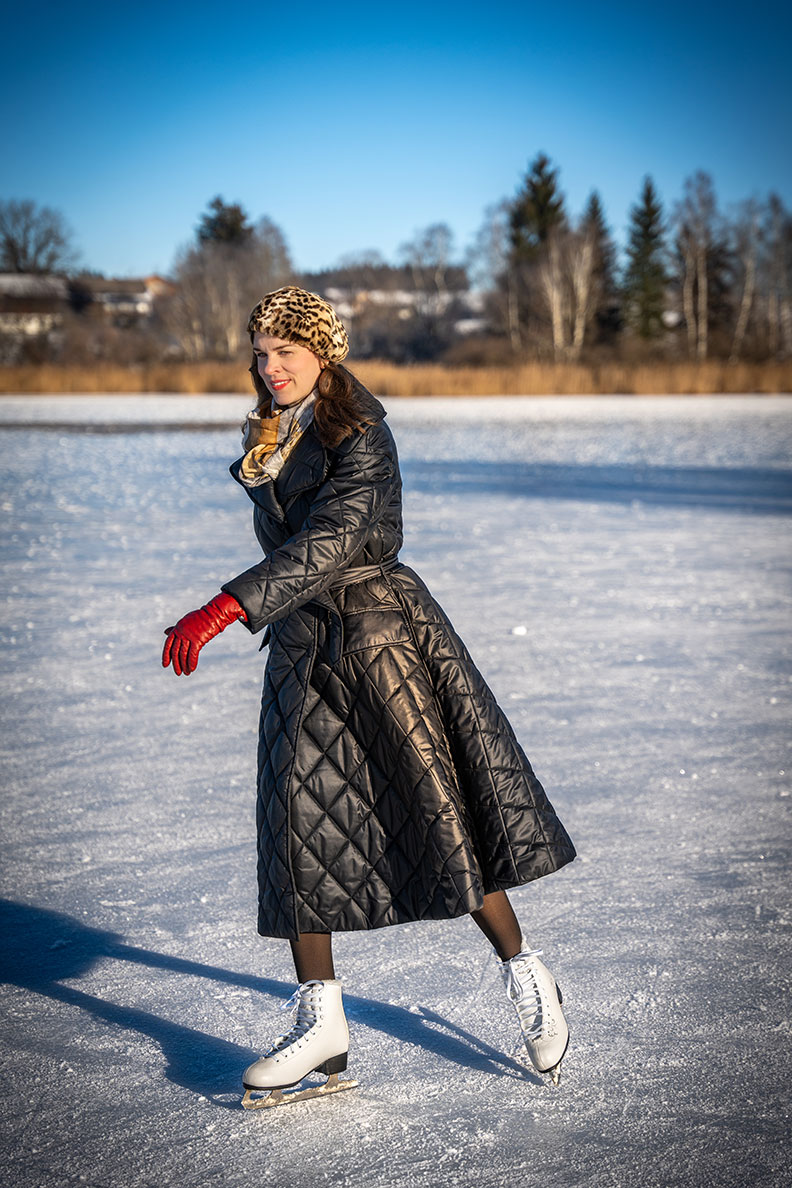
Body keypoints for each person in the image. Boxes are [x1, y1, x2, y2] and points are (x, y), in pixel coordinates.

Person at [162, 287, 576, 1107]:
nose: (268, 365)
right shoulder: (274, 438)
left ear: (324, 353)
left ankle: (527, 973)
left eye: (285, 350)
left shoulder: (362, 434)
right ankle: (322, 1023)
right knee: (293, 825)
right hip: (301, 651)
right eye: (260, 350)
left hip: (380, 640)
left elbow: (332, 540)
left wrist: (227, 604)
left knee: (436, 810)